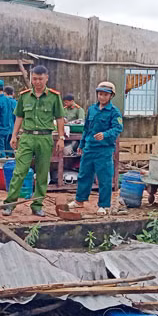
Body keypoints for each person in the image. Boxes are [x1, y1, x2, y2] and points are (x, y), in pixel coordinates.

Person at [2, 65, 65, 217]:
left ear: (46, 78)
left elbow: (59, 118)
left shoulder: (54, 97)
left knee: (42, 173)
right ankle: (9, 204)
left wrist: (61, 138)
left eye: (40, 79)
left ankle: (37, 205)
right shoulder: (24, 96)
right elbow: (19, 117)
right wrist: (14, 135)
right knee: (19, 171)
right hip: (27, 137)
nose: (37, 82)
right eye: (34, 79)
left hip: (45, 138)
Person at [67, 81, 123, 215]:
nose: (102, 97)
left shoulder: (114, 112)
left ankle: (103, 205)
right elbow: (86, 129)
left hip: (104, 150)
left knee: (104, 178)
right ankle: (79, 200)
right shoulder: (91, 109)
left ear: (111, 96)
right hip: (89, 148)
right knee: (84, 175)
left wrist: (105, 134)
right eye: (100, 94)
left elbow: (118, 128)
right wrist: (81, 145)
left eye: (105, 95)